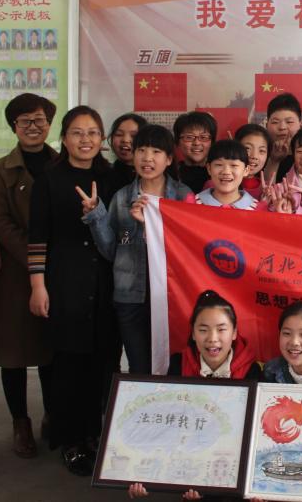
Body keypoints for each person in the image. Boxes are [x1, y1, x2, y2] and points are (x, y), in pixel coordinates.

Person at [28, 105, 120, 476]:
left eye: (93, 132)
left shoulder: (111, 177)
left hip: (105, 283)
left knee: (103, 362)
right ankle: (70, 440)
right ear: (64, 139)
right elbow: (37, 237)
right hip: (64, 282)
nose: (86, 140)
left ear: (102, 139)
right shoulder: (49, 180)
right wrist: (38, 285)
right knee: (68, 366)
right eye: (77, 133)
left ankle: (95, 434)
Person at [128, 290, 262, 500]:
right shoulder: (178, 365)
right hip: (189, 469)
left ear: (235, 332)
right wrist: (141, 476)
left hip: (235, 470)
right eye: (203, 330)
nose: (212, 339)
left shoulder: (253, 372)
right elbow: (165, 424)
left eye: (221, 329)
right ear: (192, 333)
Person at [83, 125, 192, 375]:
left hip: (172, 296)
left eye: (156, 152)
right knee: (139, 367)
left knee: (173, 366)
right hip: (131, 296)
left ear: (169, 159)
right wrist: (95, 215)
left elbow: (188, 251)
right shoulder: (122, 198)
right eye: (141, 150)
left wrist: (149, 226)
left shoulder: (182, 196)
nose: (147, 158)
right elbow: (111, 251)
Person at [0, 93, 58, 459]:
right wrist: (35, 257)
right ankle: (20, 422)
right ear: (14, 127)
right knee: (14, 354)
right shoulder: (2, 169)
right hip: (16, 276)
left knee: (51, 352)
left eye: (39, 120)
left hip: (58, 274)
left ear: (49, 124)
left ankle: (52, 416)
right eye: (25, 121)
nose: (33, 127)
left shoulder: (61, 163)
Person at [192, 139, 259, 209]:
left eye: (234, 165)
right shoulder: (192, 205)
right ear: (209, 169)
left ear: (246, 170)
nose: (226, 172)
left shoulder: (257, 209)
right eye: (219, 165)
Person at [171, 111, 215, 194]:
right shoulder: (171, 174)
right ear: (177, 142)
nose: (197, 143)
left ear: (212, 142)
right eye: (189, 137)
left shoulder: (220, 174)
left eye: (203, 137)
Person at [263, 93, 302, 181]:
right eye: (275, 122)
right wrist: (273, 161)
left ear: (301, 125)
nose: (282, 127)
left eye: (289, 122)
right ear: (267, 126)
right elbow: (265, 187)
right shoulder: (259, 155)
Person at [106, 113, 147, 190]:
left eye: (134, 136)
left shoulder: (154, 175)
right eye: (119, 134)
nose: (125, 140)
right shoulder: (104, 175)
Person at [234, 123, 270, 198]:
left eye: (261, 150)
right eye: (247, 148)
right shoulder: (217, 185)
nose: (254, 156)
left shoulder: (269, 190)